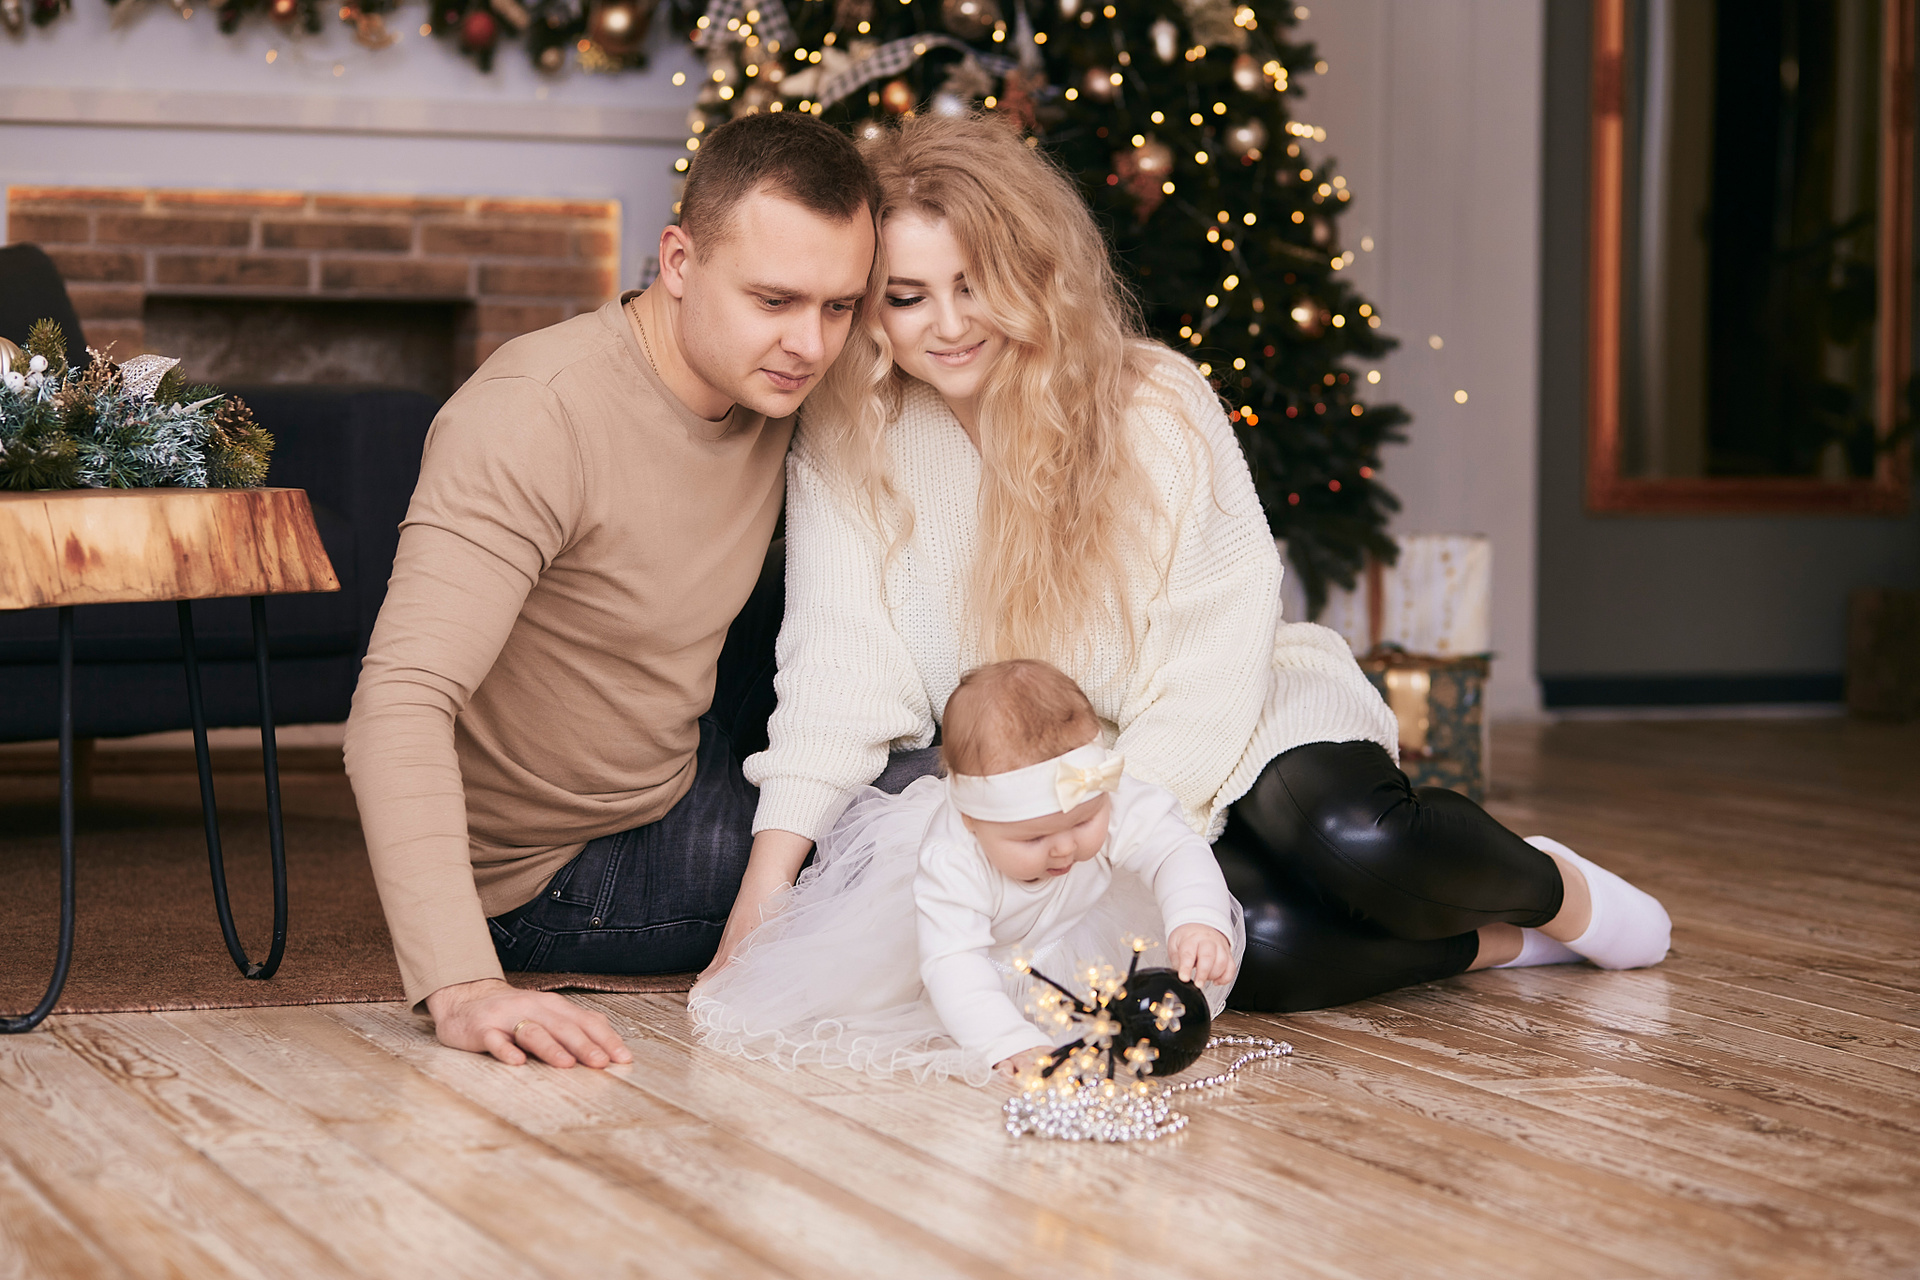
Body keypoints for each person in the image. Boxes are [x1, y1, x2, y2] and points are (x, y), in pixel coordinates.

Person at [714, 113, 1670, 1014]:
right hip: (1079, 790)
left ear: (1034, 273)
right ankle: (1498, 945)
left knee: (1355, 845)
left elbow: (1216, 649)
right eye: (908, 296)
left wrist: (1125, 827)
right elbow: (839, 677)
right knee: (1261, 945)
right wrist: (762, 905)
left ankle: (1558, 891)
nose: (949, 324)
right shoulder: (852, 440)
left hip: (1244, 710)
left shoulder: (1151, 400)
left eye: (977, 283)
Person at [343, 111, 880, 1068]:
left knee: (952, 764)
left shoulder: (774, 380)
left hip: (680, 742)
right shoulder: (534, 416)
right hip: (557, 865)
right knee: (921, 838)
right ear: (678, 261)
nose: (810, 343)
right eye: (774, 299)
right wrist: (460, 983)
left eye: (839, 307)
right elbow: (399, 700)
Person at [691, 658, 1242, 1084]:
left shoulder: (1099, 796)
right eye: (1034, 838)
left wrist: (1198, 918)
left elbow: (1174, 847)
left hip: (1070, 927)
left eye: (1084, 822)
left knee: (1117, 973)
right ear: (975, 822)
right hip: (963, 948)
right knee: (877, 1002)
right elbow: (953, 962)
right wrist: (1006, 1040)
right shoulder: (952, 858)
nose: (1064, 848)